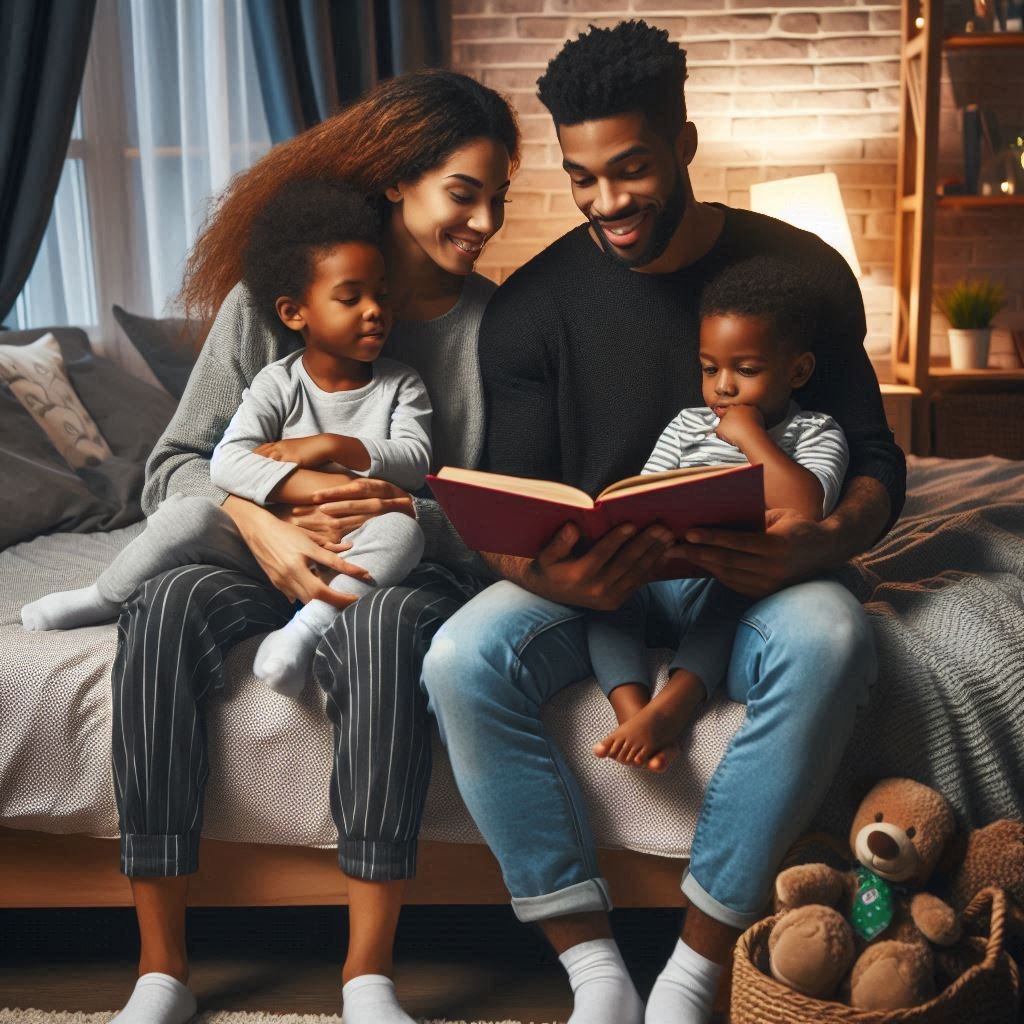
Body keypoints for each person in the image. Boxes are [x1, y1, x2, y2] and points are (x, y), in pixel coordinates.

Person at [420, 20, 904, 1024]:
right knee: (458, 657)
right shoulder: (532, 306)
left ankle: (692, 967)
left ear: (682, 143)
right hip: (596, 584)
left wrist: (821, 541)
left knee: (831, 630)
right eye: (582, 177)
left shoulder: (798, 271)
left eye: (630, 169)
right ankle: (592, 966)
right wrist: (565, 580)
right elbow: (515, 509)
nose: (606, 203)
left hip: (754, 576)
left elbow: (874, 461)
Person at [101, 70, 518, 1024]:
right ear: (397, 186)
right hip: (255, 563)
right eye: (465, 193)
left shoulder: (494, 328)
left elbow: (490, 512)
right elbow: (173, 467)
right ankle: (160, 971)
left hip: (400, 576)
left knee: (378, 633)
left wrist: (384, 509)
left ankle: (367, 974)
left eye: (500, 195)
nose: (486, 219)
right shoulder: (279, 299)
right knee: (161, 608)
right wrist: (263, 516)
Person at [22, 180, 429, 698]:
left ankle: (304, 634)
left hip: (349, 545)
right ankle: (104, 596)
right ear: (292, 313)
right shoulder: (276, 382)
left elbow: (414, 461)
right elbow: (227, 463)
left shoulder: (402, 385)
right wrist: (303, 492)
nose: (374, 310)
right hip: (260, 551)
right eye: (351, 298)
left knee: (403, 533)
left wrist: (327, 447)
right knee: (185, 515)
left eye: (382, 296)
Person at [587, 258, 850, 771]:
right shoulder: (686, 426)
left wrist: (752, 439)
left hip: (730, 574)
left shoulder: (814, 433)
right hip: (663, 573)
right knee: (604, 596)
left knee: (736, 593)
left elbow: (805, 507)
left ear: (797, 371)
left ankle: (677, 702)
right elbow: (643, 492)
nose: (723, 387)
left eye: (745, 370)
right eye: (710, 369)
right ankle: (633, 710)